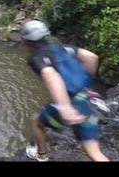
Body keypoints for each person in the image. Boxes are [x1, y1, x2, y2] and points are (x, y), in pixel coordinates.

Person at [21, 20, 110, 162]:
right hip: (88, 99)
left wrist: (65, 107)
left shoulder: (36, 58)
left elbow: (50, 75)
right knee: (92, 149)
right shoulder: (60, 48)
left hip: (73, 105)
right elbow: (91, 57)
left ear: (25, 41)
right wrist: (86, 84)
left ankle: (42, 155)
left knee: (36, 121)